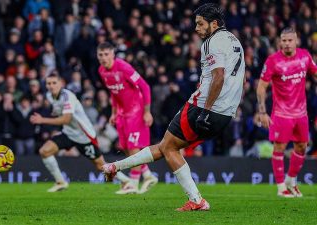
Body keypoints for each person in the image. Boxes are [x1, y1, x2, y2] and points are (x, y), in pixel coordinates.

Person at [102, 3, 245, 211]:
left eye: (200, 24)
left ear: (214, 24)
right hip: (226, 113)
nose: (196, 28)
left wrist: (205, 111)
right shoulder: (235, 41)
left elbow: (219, 76)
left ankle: (196, 200)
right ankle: (114, 167)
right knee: (167, 147)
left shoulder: (211, 42)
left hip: (203, 107)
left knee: (168, 147)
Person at [30, 72, 131, 192]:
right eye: (48, 83)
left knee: (100, 166)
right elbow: (59, 113)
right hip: (69, 133)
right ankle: (60, 182)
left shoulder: (68, 96)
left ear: (61, 83)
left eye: (54, 83)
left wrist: (42, 120)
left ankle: (126, 181)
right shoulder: (49, 96)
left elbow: (66, 119)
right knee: (44, 151)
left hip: (84, 136)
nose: (51, 86)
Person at [256, 27, 317, 198]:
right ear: (280, 42)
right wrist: (262, 111)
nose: (287, 44)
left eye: (290, 40)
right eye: (284, 40)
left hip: (301, 114)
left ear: (296, 41)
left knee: (302, 147)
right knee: (280, 148)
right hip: (281, 114)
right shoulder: (273, 61)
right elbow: (261, 87)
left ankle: (291, 181)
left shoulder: (305, 56)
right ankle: (281, 187)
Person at [97, 42, 158, 194]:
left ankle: (133, 183)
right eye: (100, 55)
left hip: (136, 111)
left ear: (113, 54)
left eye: (106, 54)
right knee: (125, 148)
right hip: (122, 114)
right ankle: (148, 176)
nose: (103, 58)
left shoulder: (124, 68)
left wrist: (147, 111)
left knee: (133, 148)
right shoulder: (102, 71)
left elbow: (145, 87)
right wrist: (113, 112)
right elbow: (113, 92)